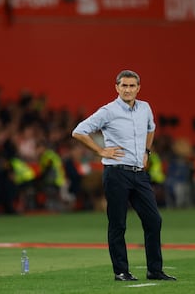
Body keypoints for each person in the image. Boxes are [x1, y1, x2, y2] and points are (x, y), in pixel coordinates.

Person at [72, 69, 176, 282]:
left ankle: (154, 270)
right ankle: (121, 271)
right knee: (118, 223)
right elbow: (79, 131)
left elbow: (151, 128)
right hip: (116, 173)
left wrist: (147, 152)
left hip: (139, 174)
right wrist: (100, 151)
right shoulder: (108, 111)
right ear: (116, 87)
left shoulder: (145, 108)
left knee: (154, 220)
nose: (128, 89)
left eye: (132, 86)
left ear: (138, 88)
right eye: (124, 85)